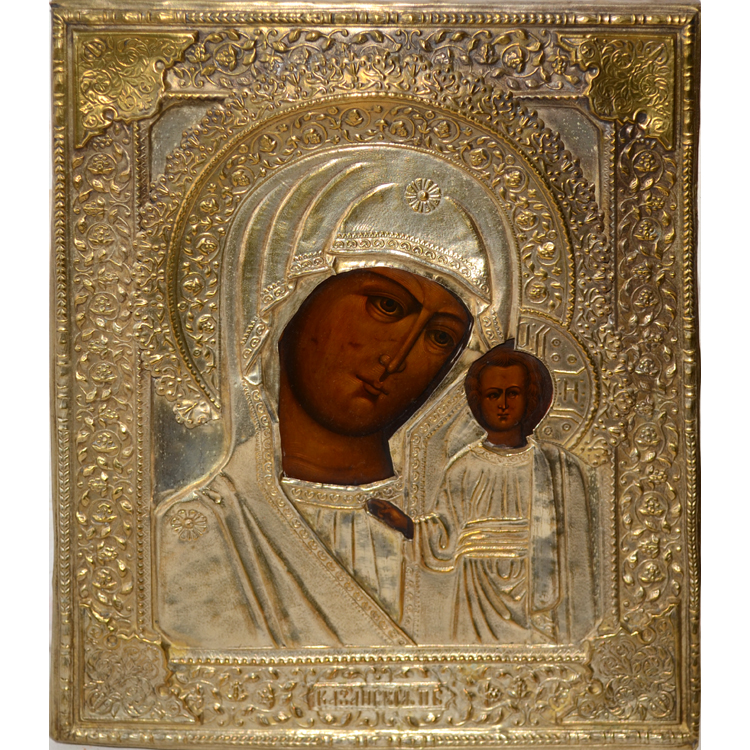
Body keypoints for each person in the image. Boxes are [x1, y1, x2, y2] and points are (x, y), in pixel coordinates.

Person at [154, 146, 518, 649]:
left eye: (439, 337)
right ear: (288, 300)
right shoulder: (198, 532)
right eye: (386, 306)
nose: (398, 356)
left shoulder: (460, 532)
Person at [414, 344, 598, 644]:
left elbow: (576, 546)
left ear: (530, 399)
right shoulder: (463, 467)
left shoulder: (558, 466)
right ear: (478, 402)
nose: (503, 404)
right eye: (493, 395)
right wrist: (405, 526)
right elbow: (445, 533)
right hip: (475, 592)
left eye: (513, 393)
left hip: (536, 585)